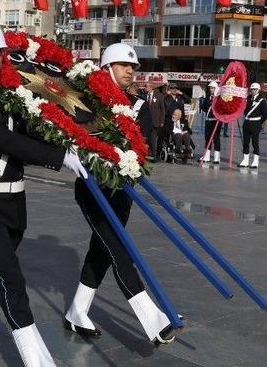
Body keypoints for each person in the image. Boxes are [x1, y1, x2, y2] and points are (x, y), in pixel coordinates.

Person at [0, 21, 86, 367]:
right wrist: (58, 158)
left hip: (13, 203)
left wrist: (75, 142)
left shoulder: (7, 92)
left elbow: (30, 131)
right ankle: (39, 361)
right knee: (11, 280)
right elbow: (1, 138)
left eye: (0, 52)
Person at [63, 42, 179, 349]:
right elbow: (79, 134)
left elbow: (144, 145)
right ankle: (152, 318)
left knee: (101, 251)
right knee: (118, 247)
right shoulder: (89, 100)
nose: (131, 70)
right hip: (93, 188)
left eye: (133, 67)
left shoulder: (135, 104)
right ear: (106, 68)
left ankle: (77, 311)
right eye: (124, 65)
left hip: (122, 190)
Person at [239, 83, 267, 169]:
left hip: (256, 123)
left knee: (255, 143)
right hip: (247, 123)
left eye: (254, 89)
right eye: (252, 89)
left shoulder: (262, 101)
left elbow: (265, 115)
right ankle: (245, 160)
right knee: (245, 142)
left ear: (258, 90)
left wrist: (259, 122)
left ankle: (255, 161)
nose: (253, 91)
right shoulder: (248, 99)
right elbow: (245, 111)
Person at [199, 81, 221, 164]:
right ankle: (207, 156)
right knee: (207, 138)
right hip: (208, 120)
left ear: (216, 89)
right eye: (210, 88)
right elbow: (204, 108)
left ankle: (216, 157)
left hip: (216, 121)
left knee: (216, 139)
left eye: (212, 88)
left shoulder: (219, 98)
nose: (211, 89)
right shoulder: (208, 97)